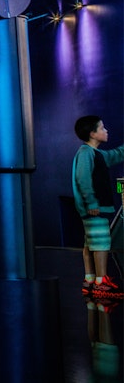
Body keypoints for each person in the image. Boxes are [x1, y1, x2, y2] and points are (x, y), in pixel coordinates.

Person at [72, 115, 124, 299]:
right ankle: (101, 282)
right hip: (95, 208)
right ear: (93, 133)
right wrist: (92, 203)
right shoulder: (86, 153)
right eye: (102, 128)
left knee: (90, 244)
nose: (106, 130)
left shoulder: (97, 154)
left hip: (96, 208)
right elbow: (83, 179)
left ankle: (90, 279)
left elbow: (115, 154)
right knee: (101, 243)